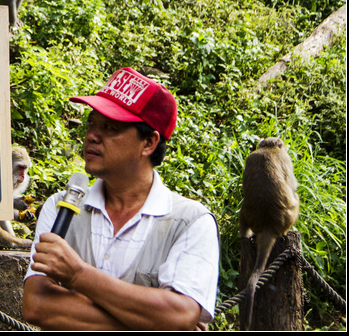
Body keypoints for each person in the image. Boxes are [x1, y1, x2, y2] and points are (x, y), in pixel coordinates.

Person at [22, 67, 220, 330]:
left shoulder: (191, 222)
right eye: (92, 123)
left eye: (110, 127)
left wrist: (78, 275)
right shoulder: (61, 207)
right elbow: (37, 306)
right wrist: (152, 322)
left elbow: (180, 313)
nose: (92, 135)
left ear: (149, 143)